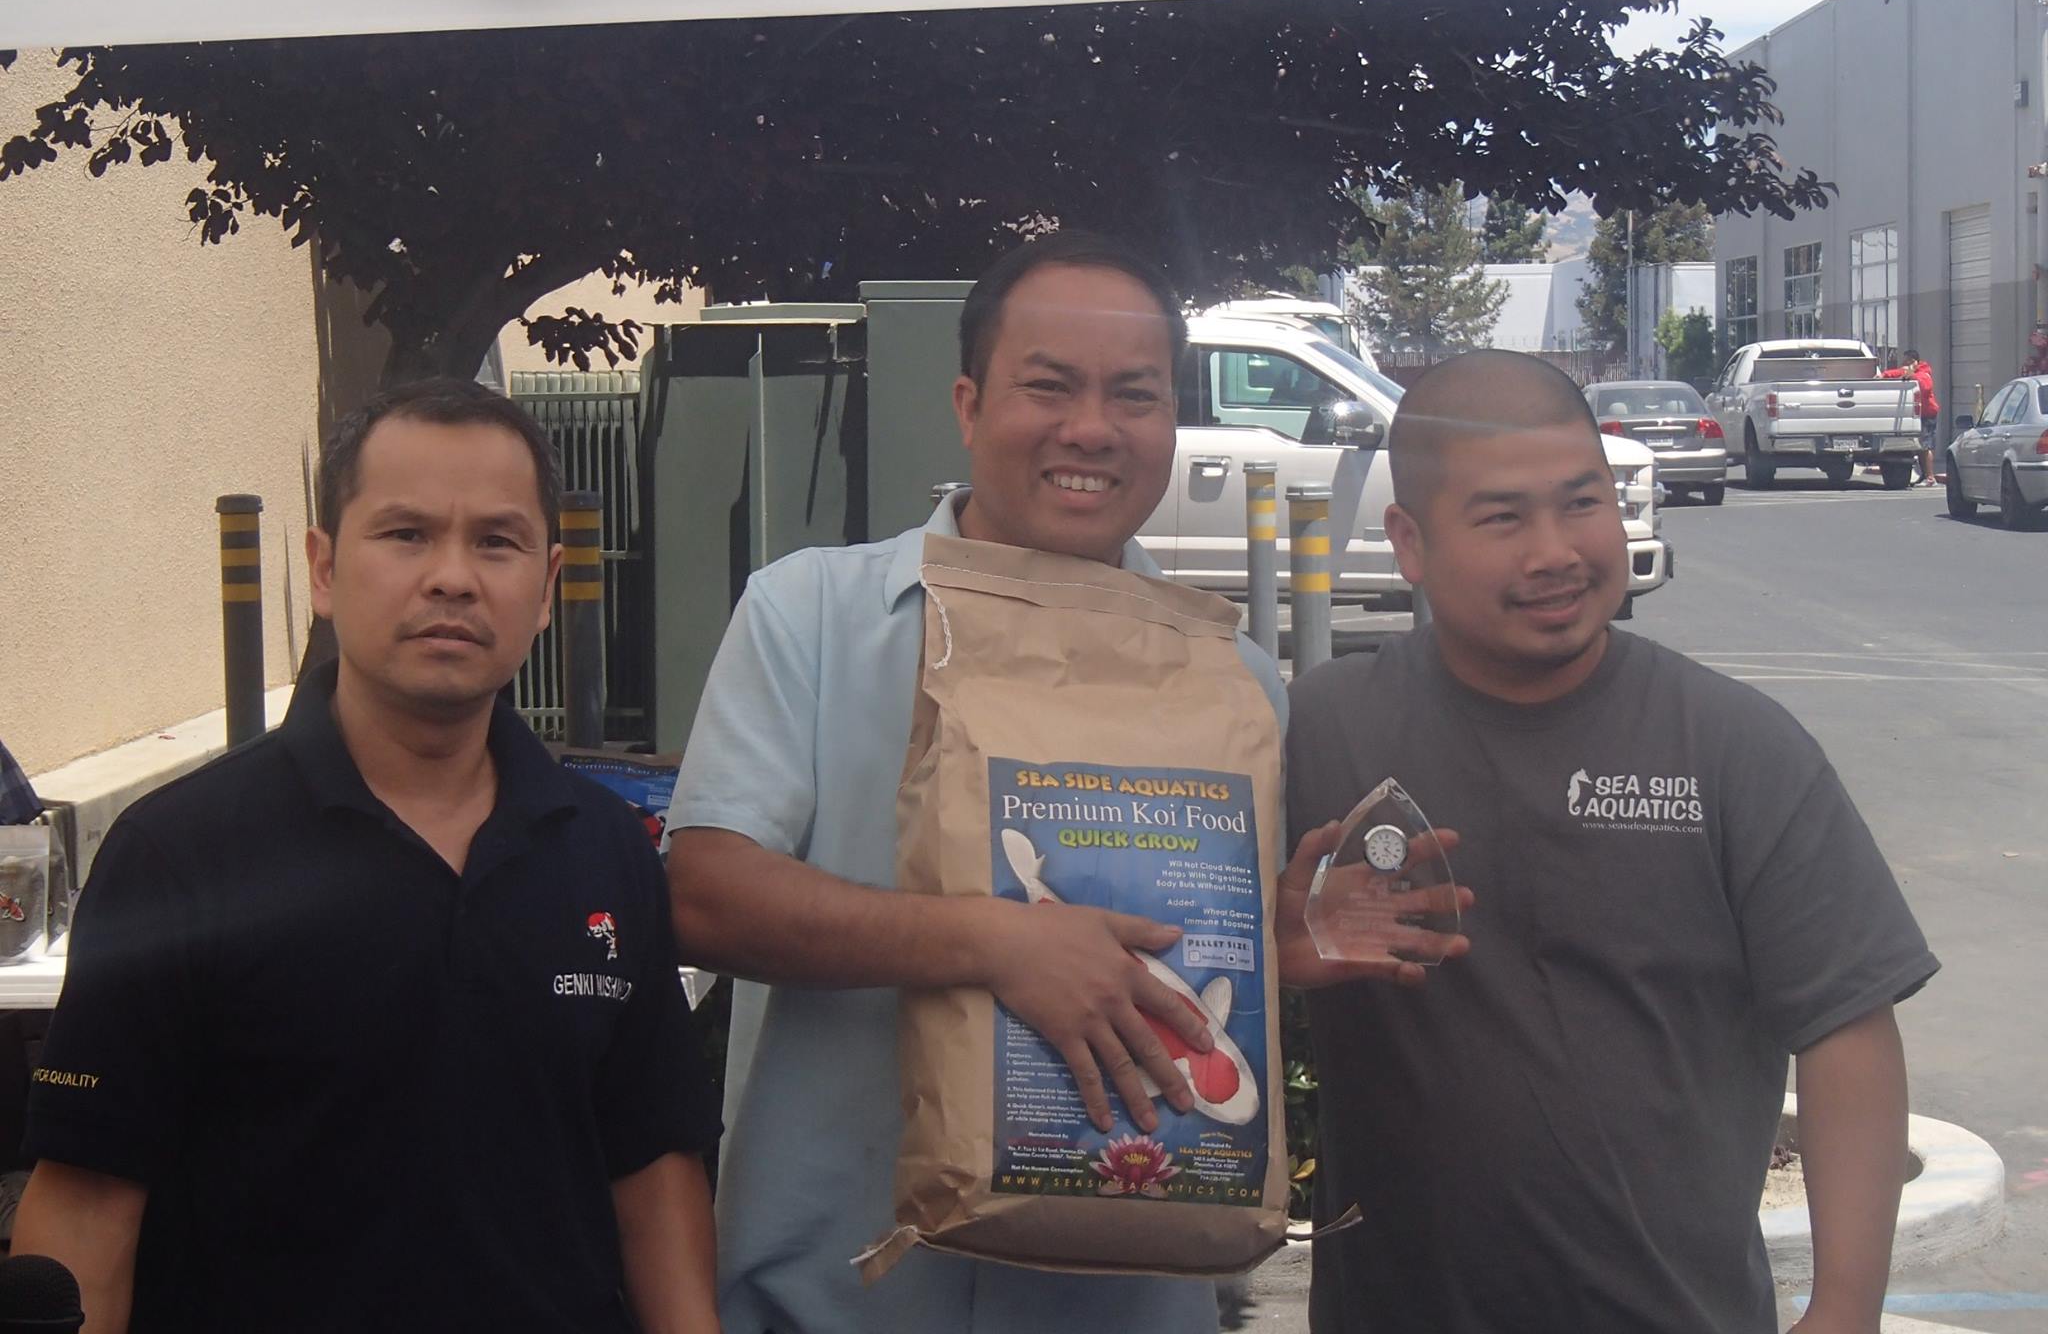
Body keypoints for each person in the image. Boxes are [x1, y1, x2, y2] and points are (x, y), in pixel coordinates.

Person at [667, 232, 1463, 1334]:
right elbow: (706, 896)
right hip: (833, 1303)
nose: (1091, 428)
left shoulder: (1232, 680)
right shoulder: (808, 615)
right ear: (968, 405)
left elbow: (1178, 970)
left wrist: (1253, 949)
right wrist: (995, 943)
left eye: (1133, 395)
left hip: (1126, 1307)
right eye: (1048, 386)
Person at [13, 380, 722, 1333]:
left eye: (497, 542)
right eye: (406, 534)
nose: (452, 578)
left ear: (549, 585)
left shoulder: (606, 851)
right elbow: (88, 1205)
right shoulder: (179, 856)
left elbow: (653, 1168)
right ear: (323, 567)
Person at [1286, 350, 1938, 1334]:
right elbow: (1194, 966)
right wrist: (1272, 955)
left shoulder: (1730, 746)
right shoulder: (1324, 731)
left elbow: (1846, 1024)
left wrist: (1845, 1307)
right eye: (1502, 518)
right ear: (1410, 543)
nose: (1553, 551)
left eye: (1581, 502)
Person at [1881, 348, 1940, 485]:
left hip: (1927, 415)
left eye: (1907, 362)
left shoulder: (1924, 373)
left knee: (1925, 447)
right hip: (1918, 415)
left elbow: (1925, 387)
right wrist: (1883, 375)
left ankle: (1930, 478)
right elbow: (1898, 372)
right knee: (1919, 447)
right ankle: (1924, 475)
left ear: (1914, 362)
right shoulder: (1912, 372)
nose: (1904, 365)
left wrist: (1912, 375)